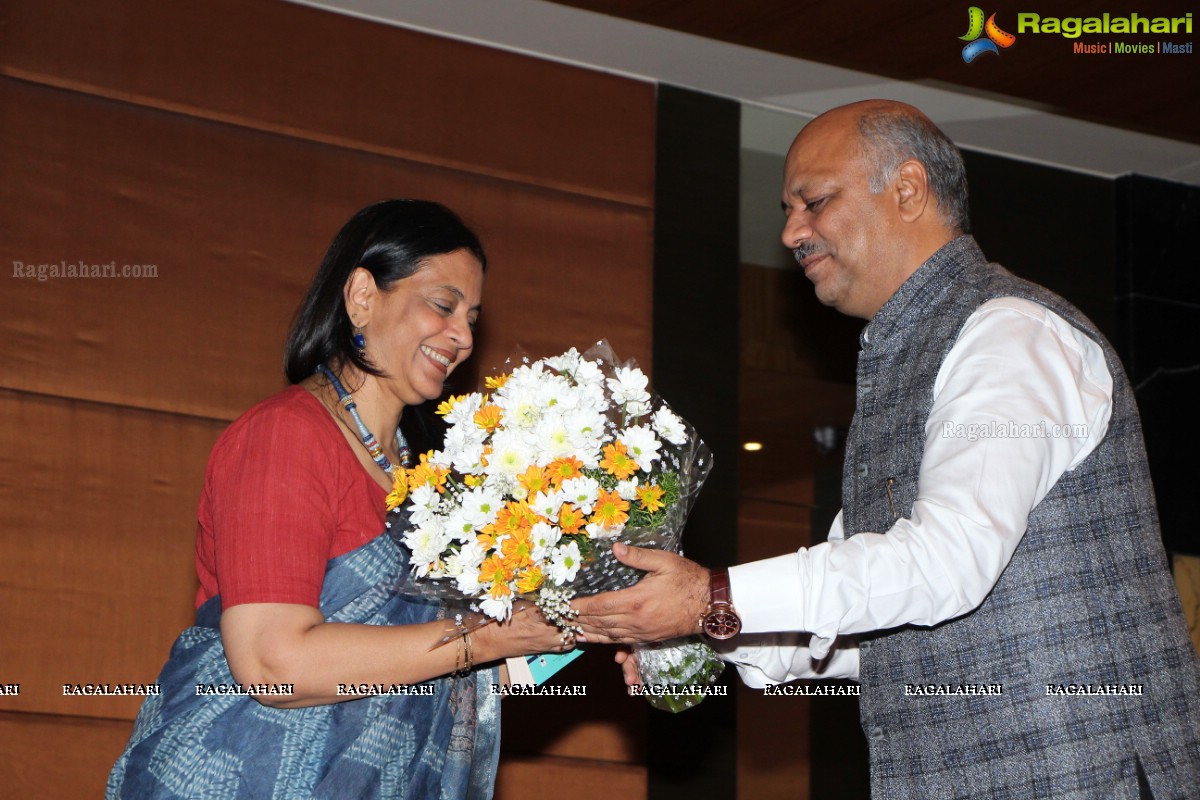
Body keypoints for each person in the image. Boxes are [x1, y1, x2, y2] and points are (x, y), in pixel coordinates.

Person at [573, 101, 1200, 798]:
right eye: (788, 209)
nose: (789, 231)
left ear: (907, 190)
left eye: (813, 202)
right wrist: (707, 629)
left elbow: (945, 564)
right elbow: (883, 620)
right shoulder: (903, 365)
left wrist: (711, 597)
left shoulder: (1009, 334)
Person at [108, 200, 570, 799]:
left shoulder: (438, 483)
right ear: (361, 296)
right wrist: (477, 638)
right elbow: (275, 665)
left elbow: (460, 676)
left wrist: (572, 620)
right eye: (442, 305)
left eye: (472, 318)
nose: (462, 336)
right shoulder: (285, 435)